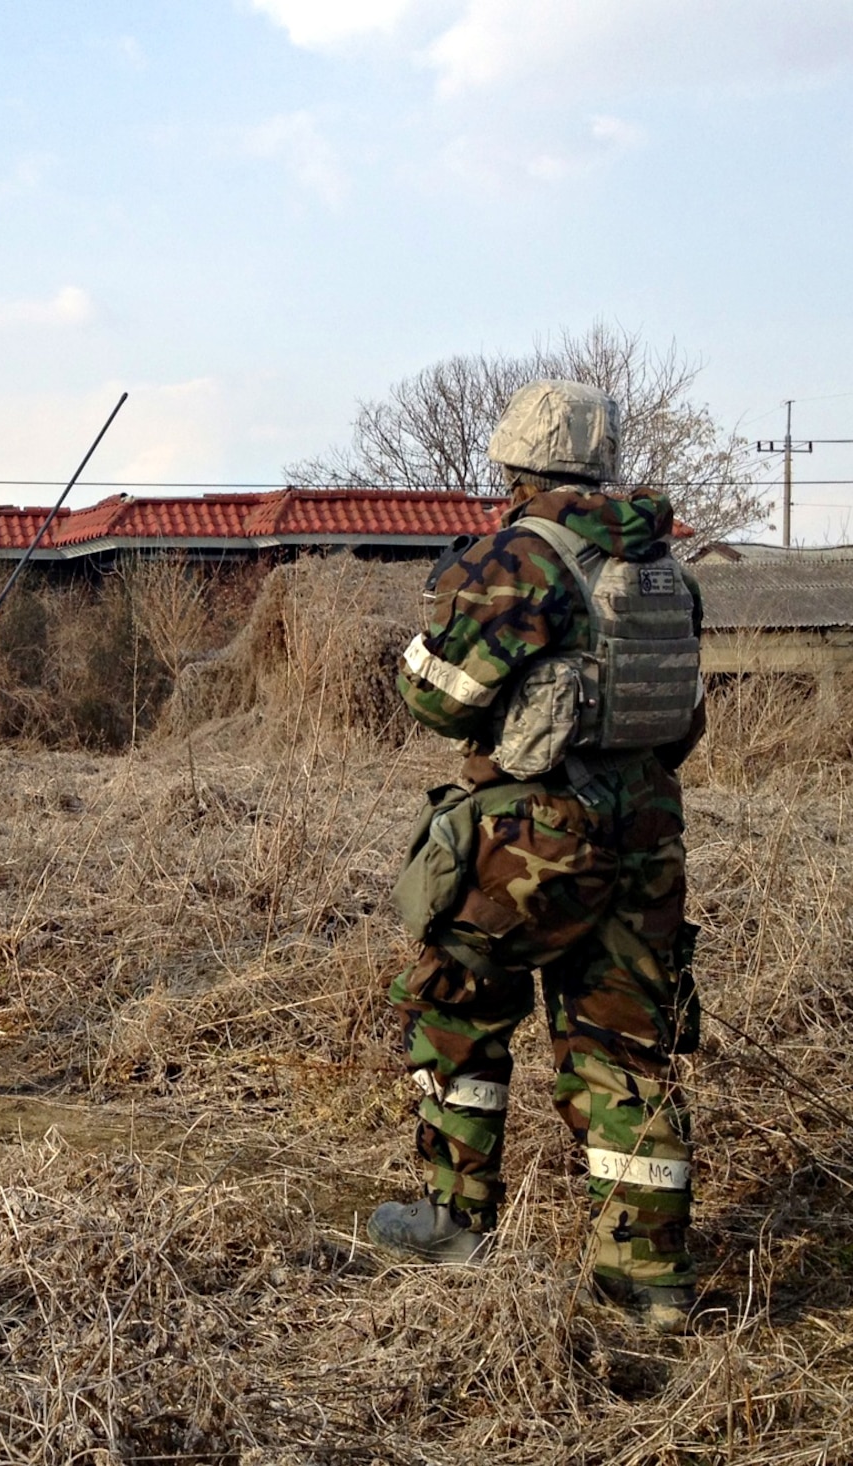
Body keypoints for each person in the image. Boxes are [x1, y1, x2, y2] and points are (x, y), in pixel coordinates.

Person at [371, 379, 706, 1332]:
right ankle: (645, 1281)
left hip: (537, 834)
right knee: (625, 1045)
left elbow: (438, 700)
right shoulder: (665, 570)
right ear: (603, 463)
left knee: (453, 1003)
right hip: (649, 829)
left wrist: (423, 646)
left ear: (513, 465)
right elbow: (681, 714)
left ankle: (454, 1220)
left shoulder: (519, 555)